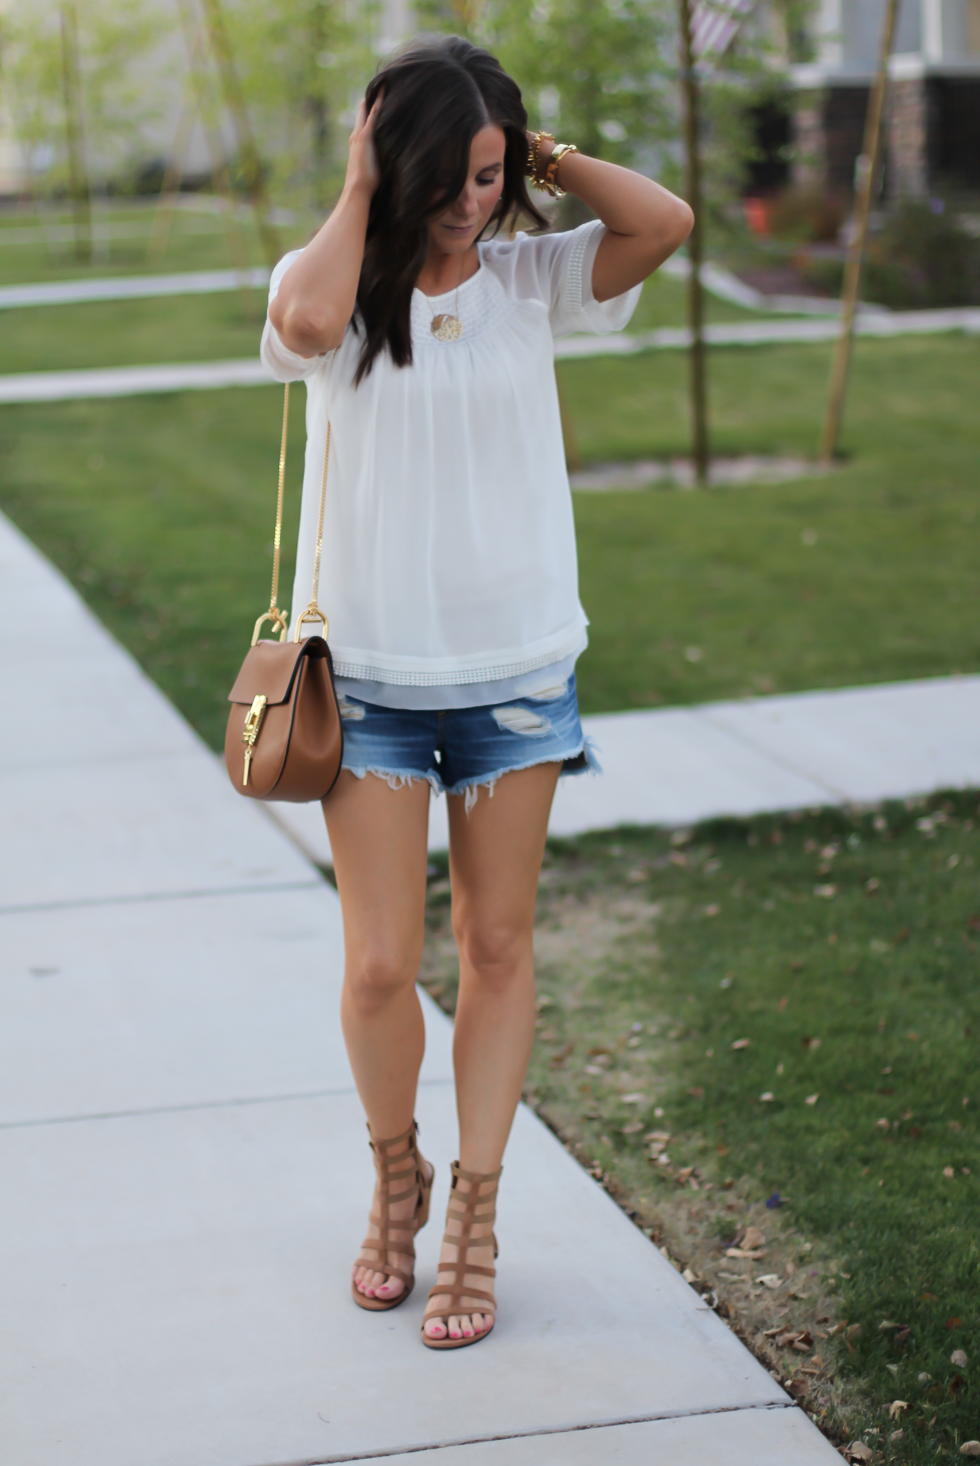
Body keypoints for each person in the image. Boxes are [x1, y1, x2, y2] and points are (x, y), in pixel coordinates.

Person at [261, 34, 692, 1350]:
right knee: (385, 962)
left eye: (487, 174)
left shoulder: (530, 277)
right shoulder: (333, 278)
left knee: (499, 948)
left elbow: (662, 220)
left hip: (514, 680)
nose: (467, 200)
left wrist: (530, 148)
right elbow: (309, 326)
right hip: (373, 686)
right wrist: (359, 181)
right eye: (443, 176)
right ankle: (397, 1177)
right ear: (392, 171)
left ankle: (475, 1217)